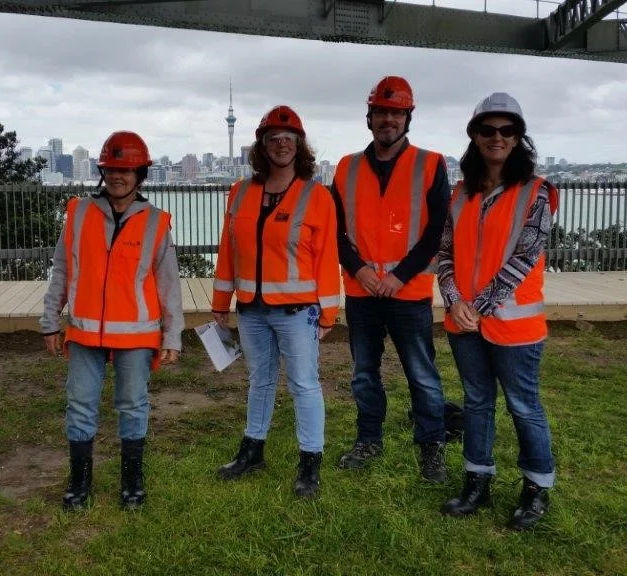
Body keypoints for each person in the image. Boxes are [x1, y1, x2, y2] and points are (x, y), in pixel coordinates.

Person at [40, 130, 184, 511]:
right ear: (103, 172)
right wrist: (50, 320)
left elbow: (168, 283)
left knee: (133, 404)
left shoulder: (155, 222)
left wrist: (173, 335)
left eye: (128, 170)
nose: (119, 176)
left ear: (141, 175)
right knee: (80, 405)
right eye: (112, 169)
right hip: (85, 332)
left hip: (136, 335)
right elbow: (61, 270)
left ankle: (132, 483)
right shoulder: (79, 213)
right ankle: (79, 483)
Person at [436, 92, 558, 530]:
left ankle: (536, 486)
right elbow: (445, 252)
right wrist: (454, 299)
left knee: (524, 405)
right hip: (463, 320)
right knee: (476, 402)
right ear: (474, 135)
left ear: (518, 137)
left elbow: (525, 258)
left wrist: (478, 307)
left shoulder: (536, 193)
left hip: (514, 325)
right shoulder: (460, 193)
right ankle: (477, 479)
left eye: (507, 130)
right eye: (488, 129)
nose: (497, 137)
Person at [211, 105, 340, 499]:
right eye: (273, 139)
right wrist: (220, 302)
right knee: (260, 381)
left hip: (298, 312)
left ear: (299, 146)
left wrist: (328, 313)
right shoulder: (241, 192)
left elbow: (325, 257)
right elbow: (228, 250)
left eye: (288, 139)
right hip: (251, 309)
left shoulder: (317, 196)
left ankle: (310, 463)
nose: (281, 145)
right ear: (261, 146)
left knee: (304, 385)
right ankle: (253, 450)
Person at [330, 76, 452, 482]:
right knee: (364, 372)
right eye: (381, 112)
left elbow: (438, 230)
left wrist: (399, 276)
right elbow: (336, 230)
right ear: (369, 118)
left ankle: (431, 445)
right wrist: (362, 271)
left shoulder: (431, 164)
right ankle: (369, 439)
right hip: (362, 292)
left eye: (396, 113)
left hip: (409, 291)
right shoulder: (346, 168)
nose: (388, 120)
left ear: (407, 118)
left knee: (421, 373)